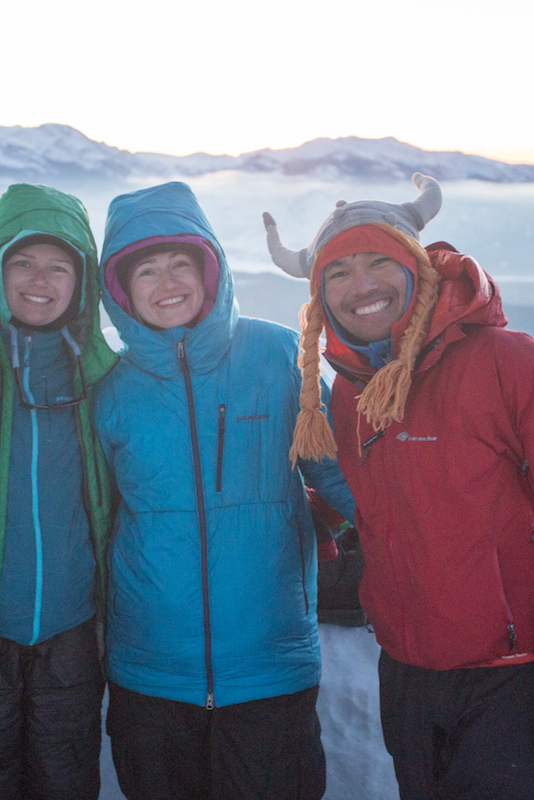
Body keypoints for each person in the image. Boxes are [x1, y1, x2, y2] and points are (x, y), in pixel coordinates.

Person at [263, 174, 534, 800]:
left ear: (418, 268)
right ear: (319, 298)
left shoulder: (512, 365)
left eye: (378, 261)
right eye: (338, 273)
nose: (362, 286)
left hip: (510, 680)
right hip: (407, 672)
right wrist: (316, 519)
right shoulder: (354, 392)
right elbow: (380, 495)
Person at [94, 181, 355, 800]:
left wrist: (424, 548)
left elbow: (340, 476)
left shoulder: (276, 356)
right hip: (150, 672)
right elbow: (94, 512)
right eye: (146, 271)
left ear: (209, 270)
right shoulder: (110, 389)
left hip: (269, 664)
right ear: (121, 291)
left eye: (179, 264)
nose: (166, 283)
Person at [0, 184, 118, 800]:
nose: (41, 280)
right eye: (23, 262)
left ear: (81, 281)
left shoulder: (101, 375)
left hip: (72, 640)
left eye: (59, 266)